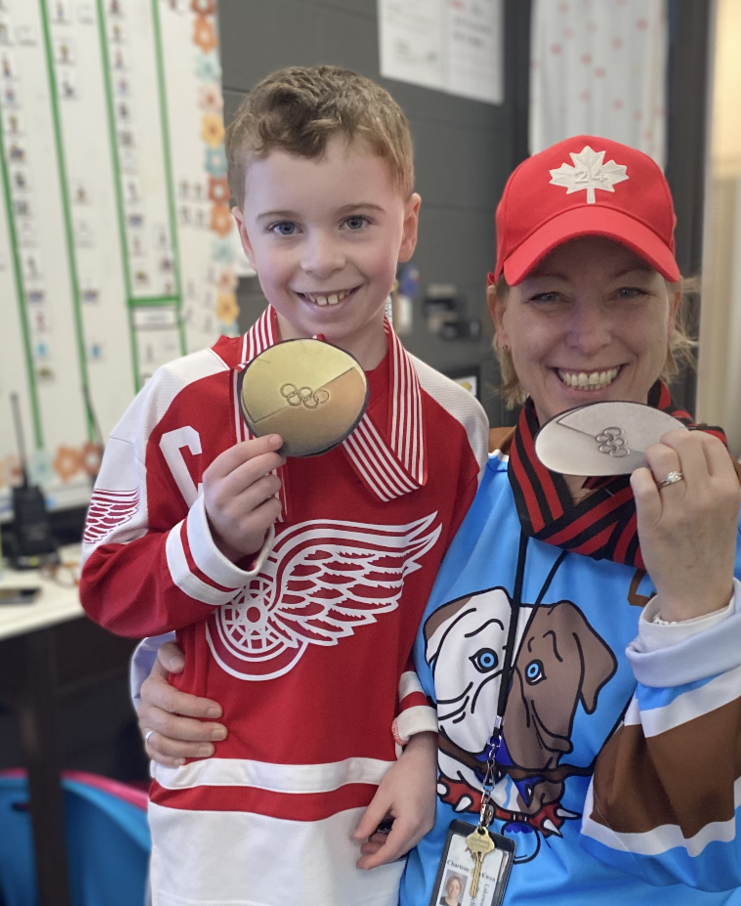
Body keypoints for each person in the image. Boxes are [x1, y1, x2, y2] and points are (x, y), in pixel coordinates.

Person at [137, 135, 741, 906]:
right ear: (500, 315)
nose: (590, 336)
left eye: (628, 294)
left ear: (671, 307)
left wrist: (695, 615)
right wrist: (166, 675)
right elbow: (340, 638)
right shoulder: (453, 486)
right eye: (548, 296)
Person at [79, 66, 489, 906]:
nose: (320, 261)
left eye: (355, 221)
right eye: (283, 226)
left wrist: (424, 748)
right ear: (242, 234)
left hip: (380, 810)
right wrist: (209, 544)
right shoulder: (180, 400)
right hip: (220, 817)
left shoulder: (454, 425)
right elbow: (110, 588)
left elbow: (451, 625)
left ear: (407, 226)